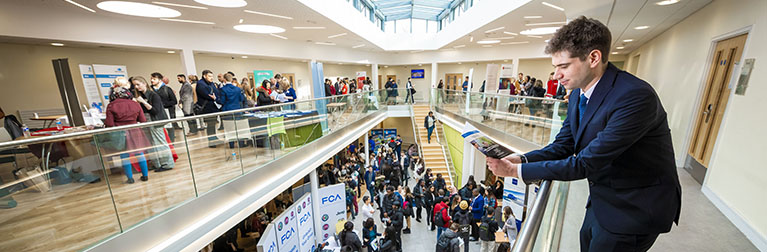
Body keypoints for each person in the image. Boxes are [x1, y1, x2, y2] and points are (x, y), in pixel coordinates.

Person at [486, 16, 681, 252]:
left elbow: (585, 163)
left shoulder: (635, 96)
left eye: (564, 66)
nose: (556, 75)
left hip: (634, 208)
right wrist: (523, 159)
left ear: (593, 58)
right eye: (555, 67)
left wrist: (515, 171)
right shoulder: (579, 93)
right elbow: (564, 145)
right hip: (602, 200)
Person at [104, 84, 151, 184]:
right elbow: (143, 120)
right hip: (135, 131)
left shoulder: (111, 106)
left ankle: (130, 178)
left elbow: (109, 124)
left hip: (121, 133)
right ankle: (145, 175)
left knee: (124, 156)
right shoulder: (135, 104)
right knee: (139, 153)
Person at [132, 76, 175, 172]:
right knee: (151, 144)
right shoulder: (140, 96)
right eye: (135, 85)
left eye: (138, 84)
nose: (136, 87)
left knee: (160, 143)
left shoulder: (153, 95)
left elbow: (155, 111)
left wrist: (143, 102)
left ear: (144, 83)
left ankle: (167, 164)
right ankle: (157, 163)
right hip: (146, 122)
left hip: (156, 121)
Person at [196, 70, 221, 148]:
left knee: (213, 124)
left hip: (213, 107)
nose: (211, 78)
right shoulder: (200, 84)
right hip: (207, 108)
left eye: (212, 76)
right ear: (204, 76)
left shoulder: (211, 83)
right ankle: (211, 142)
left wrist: (215, 97)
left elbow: (216, 92)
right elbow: (207, 94)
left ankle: (215, 138)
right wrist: (213, 97)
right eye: (209, 76)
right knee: (210, 125)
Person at [150, 72, 179, 140]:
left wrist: (163, 104)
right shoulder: (150, 90)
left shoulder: (167, 89)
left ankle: (171, 144)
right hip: (155, 113)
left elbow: (174, 101)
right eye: (151, 78)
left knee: (170, 128)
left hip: (167, 112)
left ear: (160, 80)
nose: (152, 80)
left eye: (154, 79)